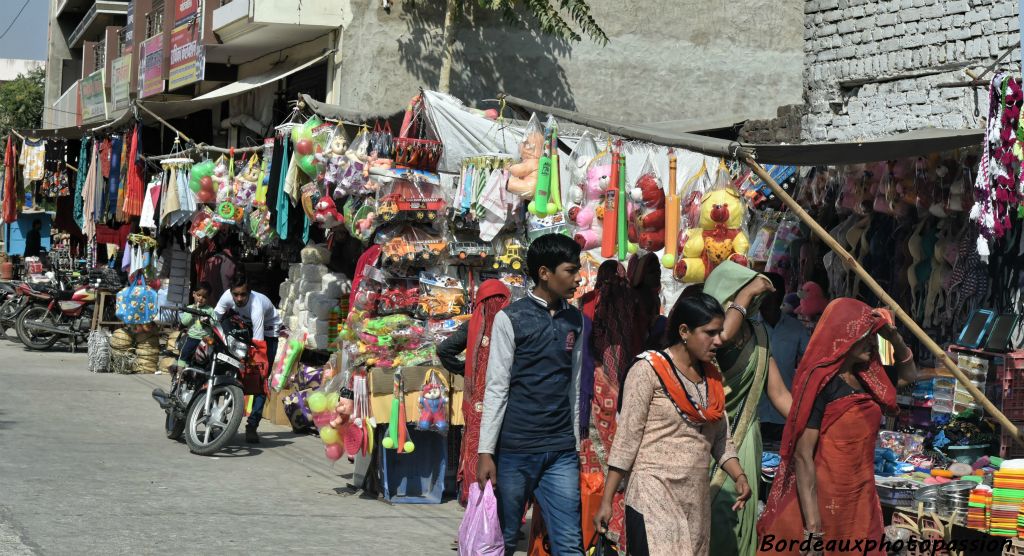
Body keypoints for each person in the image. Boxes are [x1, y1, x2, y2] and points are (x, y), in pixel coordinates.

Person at [757, 299, 934, 555]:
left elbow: (910, 375)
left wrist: (893, 336)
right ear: (845, 336)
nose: (872, 344)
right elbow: (803, 454)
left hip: (860, 494)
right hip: (826, 495)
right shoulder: (821, 383)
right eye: (867, 337)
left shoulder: (869, 376)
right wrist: (813, 527)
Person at [594, 293, 751, 556]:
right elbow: (626, 441)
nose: (718, 340)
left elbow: (721, 440)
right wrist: (607, 501)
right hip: (652, 494)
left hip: (694, 502)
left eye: (719, 332)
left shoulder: (711, 378)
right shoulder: (648, 371)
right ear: (684, 331)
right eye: (709, 333)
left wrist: (740, 477)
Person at [477, 233, 585, 556]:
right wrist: (486, 452)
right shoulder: (510, 319)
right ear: (544, 273)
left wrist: (576, 446)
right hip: (515, 451)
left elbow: (574, 386)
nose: (577, 279)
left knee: (569, 544)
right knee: (506, 539)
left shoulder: (575, 321)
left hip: (560, 451)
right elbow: (496, 387)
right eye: (570, 270)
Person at [702, 261, 793, 556]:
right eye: (744, 295)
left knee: (741, 520)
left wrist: (815, 424)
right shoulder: (711, 337)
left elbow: (779, 394)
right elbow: (724, 335)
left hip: (746, 440)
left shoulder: (758, 336)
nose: (753, 302)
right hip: (712, 439)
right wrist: (748, 292)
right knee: (717, 520)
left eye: (755, 297)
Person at [214, 273, 281, 444]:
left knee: (259, 378)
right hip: (244, 326)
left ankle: (252, 425)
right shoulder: (226, 297)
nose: (239, 298)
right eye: (235, 294)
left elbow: (258, 344)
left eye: (243, 294)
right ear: (230, 292)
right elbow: (214, 321)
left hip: (267, 333)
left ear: (249, 293)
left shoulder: (256, 306)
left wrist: (252, 363)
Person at [756, 273, 811, 445]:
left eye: (772, 294)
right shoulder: (748, 326)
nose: (768, 300)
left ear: (780, 295)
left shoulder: (796, 328)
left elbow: (811, 361)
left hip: (784, 413)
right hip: (754, 413)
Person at [175, 282, 216, 372]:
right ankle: (180, 374)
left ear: (208, 298)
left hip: (205, 340)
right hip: (192, 337)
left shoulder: (210, 310)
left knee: (207, 358)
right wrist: (192, 313)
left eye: (204, 297)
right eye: (199, 295)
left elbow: (215, 323)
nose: (201, 298)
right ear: (193, 294)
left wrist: (208, 321)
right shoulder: (189, 308)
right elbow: (184, 322)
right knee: (185, 354)